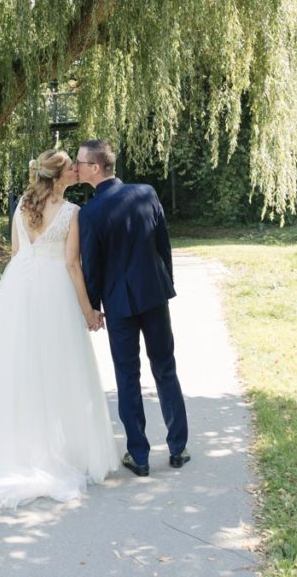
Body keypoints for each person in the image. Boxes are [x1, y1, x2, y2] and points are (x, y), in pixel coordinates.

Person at [0, 149, 118, 508]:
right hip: (53, 290)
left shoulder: (21, 206)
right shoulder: (70, 213)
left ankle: (14, 444)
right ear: (61, 176)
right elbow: (72, 265)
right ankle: (55, 449)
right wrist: (89, 311)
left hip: (18, 288)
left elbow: (17, 253)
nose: (77, 171)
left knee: (17, 365)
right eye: (71, 169)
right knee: (57, 365)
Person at [76, 139, 189, 476]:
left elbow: (92, 267)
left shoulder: (91, 212)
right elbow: (162, 244)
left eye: (80, 162)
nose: (77, 168)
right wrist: (165, 281)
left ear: (96, 168)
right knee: (165, 368)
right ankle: (178, 449)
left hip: (119, 303)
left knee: (128, 376)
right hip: (154, 295)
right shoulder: (146, 193)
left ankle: (138, 456)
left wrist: (93, 308)